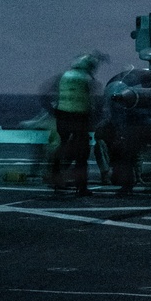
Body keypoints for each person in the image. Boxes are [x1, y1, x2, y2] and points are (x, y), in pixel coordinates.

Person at [50, 52, 104, 196]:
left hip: (62, 116)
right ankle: (81, 187)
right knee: (82, 154)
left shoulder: (64, 77)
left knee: (62, 146)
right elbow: (95, 100)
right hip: (80, 118)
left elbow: (52, 94)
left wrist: (54, 111)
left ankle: (55, 178)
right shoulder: (87, 78)